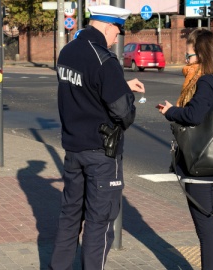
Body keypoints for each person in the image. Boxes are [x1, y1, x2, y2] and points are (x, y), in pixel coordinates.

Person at [49, 4, 144, 270]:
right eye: (118, 31)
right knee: (99, 223)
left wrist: (120, 84)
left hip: (73, 149)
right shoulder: (105, 58)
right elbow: (123, 112)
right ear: (108, 25)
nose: (118, 37)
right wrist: (127, 96)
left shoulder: (68, 51)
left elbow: (86, 88)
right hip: (101, 153)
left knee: (69, 216)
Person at [157, 28, 213, 270]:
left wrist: (171, 111)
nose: (186, 61)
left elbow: (194, 114)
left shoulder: (206, 81)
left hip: (198, 161)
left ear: (200, 55)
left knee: (205, 230)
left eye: (188, 56)